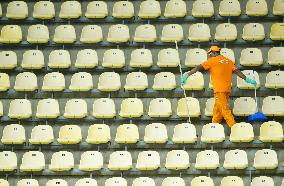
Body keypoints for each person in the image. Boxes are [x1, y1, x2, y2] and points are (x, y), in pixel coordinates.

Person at [181, 45, 257, 128]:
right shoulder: (228, 61)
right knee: (217, 110)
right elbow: (237, 71)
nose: (209, 55)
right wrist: (247, 79)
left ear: (213, 52)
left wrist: (187, 74)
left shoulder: (212, 61)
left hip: (219, 90)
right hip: (227, 89)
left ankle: (234, 128)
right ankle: (214, 127)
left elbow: (198, 67)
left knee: (225, 110)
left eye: (210, 54)